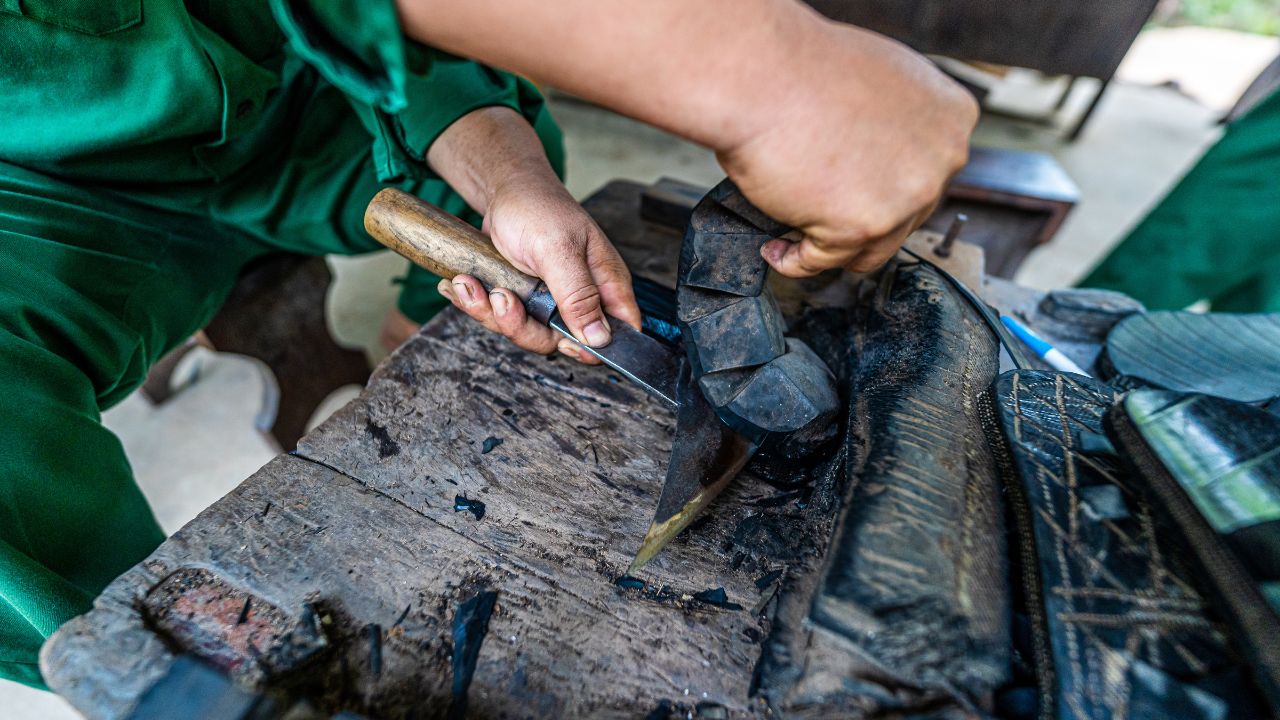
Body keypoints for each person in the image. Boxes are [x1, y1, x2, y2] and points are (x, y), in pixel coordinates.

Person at [0, 0, 975, 689]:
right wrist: (774, 74)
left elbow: (393, 40)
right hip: (41, 175)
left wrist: (504, 175)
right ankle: (178, 679)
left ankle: (416, 355)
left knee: (517, 190)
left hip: (305, 79)